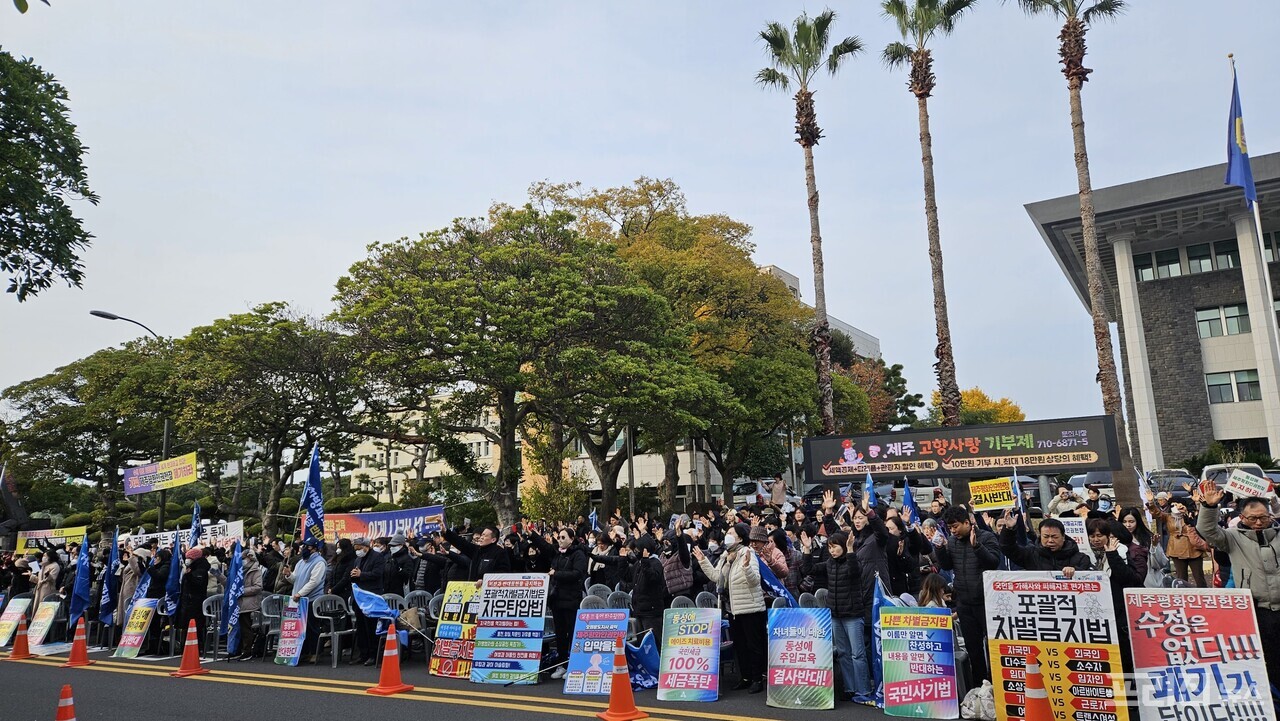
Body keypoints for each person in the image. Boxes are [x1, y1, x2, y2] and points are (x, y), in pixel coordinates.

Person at [1197, 485, 1280, 689]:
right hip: (1257, 609)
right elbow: (1208, 531)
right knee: (1269, 658)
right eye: (1253, 518)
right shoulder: (1232, 537)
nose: (1258, 522)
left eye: (1263, 517)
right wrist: (1209, 507)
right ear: (1242, 517)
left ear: (1270, 516)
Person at [933, 506, 1003, 686]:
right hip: (964, 602)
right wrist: (940, 549)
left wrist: (977, 546)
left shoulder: (986, 537)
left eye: (955, 526)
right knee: (973, 648)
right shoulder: (952, 541)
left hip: (986, 602)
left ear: (967, 522)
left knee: (992, 645)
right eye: (950, 528)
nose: (953, 531)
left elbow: (994, 562)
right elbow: (947, 566)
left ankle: (996, 683)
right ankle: (979, 685)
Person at [694, 523, 766, 694]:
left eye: (732, 532)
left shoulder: (747, 553)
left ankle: (757, 679)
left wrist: (746, 567)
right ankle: (746, 677)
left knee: (753, 646)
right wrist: (703, 561)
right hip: (733, 609)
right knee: (740, 645)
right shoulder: (726, 556)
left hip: (750, 608)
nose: (728, 535)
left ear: (740, 537)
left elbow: (755, 581)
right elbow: (716, 577)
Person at [807, 530, 873, 705]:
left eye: (835, 546)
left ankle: (863, 689)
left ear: (843, 546)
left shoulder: (853, 560)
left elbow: (854, 572)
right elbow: (809, 569)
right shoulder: (830, 563)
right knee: (843, 653)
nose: (832, 550)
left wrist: (850, 550)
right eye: (829, 547)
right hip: (835, 615)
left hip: (853, 615)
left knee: (857, 654)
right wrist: (806, 550)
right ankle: (849, 688)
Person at [532, 527, 587, 679]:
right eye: (559, 538)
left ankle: (573, 665)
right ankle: (561, 664)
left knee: (572, 633)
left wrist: (557, 574)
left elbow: (577, 574)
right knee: (560, 634)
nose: (560, 540)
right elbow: (545, 547)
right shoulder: (557, 553)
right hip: (557, 599)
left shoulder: (578, 554)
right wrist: (532, 534)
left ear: (571, 539)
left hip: (571, 599)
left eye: (563, 537)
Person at [282, 538, 327, 664]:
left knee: (312, 627)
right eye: (304, 546)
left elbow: (314, 582)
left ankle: (315, 652)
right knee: (301, 628)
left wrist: (300, 593)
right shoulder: (301, 562)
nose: (304, 549)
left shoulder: (319, 562)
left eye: (308, 546)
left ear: (315, 548)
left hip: (312, 599)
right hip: (299, 599)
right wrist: (288, 575)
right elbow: (295, 579)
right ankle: (304, 652)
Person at [1146, 492, 1206, 586]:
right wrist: (1151, 502)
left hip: (1193, 548)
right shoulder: (1168, 517)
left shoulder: (1190, 515)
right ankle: (1182, 593)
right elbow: (1157, 513)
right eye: (1173, 505)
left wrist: (1192, 508)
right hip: (1176, 548)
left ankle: (1203, 593)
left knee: (1199, 576)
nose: (1176, 507)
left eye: (1178, 504)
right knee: (1181, 577)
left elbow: (1200, 520)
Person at [999, 515, 1091, 573]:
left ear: (1063, 537)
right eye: (1046, 537)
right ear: (1040, 536)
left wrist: (1076, 571)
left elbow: (1092, 576)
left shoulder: (1080, 558)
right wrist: (1009, 530)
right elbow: (1008, 548)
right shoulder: (1031, 554)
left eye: (1054, 537)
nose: (1050, 540)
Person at [349, 536, 385, 666]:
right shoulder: (358, 559)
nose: (357, 551)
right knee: (361, 627)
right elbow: (356, 574)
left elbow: (377, 574)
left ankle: (373, 654)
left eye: (359, 548)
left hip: (371, 596)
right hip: (359, 596)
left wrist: (361, 574)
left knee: (371, 626)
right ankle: (363, 654)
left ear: (366, 547)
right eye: (356, 549)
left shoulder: (377, 557)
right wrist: (353, 575)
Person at [232, 547, 265, 660]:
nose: (242, 560)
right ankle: (236, 650)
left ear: (250, 558)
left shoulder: (255, 570)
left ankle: (247, 651)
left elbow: (258, 587)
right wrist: (219, 576)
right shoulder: (238, 570)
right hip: (238, 603)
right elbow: (231, 585)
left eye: (243, 558)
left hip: (249, 603)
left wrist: (242, 591)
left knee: (246, 628)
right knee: (237, 628)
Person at [443, 525, 511, 581]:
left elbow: (503, 573)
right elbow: (461, 543)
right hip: (473, 588)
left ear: (493, 540)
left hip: (489, 589)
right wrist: (446, 532)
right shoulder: (477, 550)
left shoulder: (500, 552)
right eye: (481, 535)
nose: (481, 538)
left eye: (485, 536)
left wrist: (485, 580)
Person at [179, 547, 211, 655]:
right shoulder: (191, 568)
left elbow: (198, 584)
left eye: (190, 558)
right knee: (187, 625)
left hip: (195, 602)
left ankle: (196, 647)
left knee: (196, 625)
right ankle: (185, 647)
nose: (187, 560)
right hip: (188, 601)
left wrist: (189, 576)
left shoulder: (201, 569)